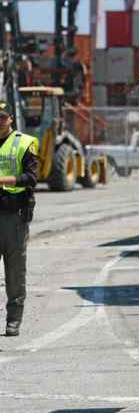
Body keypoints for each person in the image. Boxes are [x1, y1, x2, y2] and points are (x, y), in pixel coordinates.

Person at [0, 101, 38, 337]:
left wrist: (4, 181)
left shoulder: (23, 143)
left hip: (14, 217)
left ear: (11, 119)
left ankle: (13, 320)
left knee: (15, 273)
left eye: (2, 118)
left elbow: (31, 178)